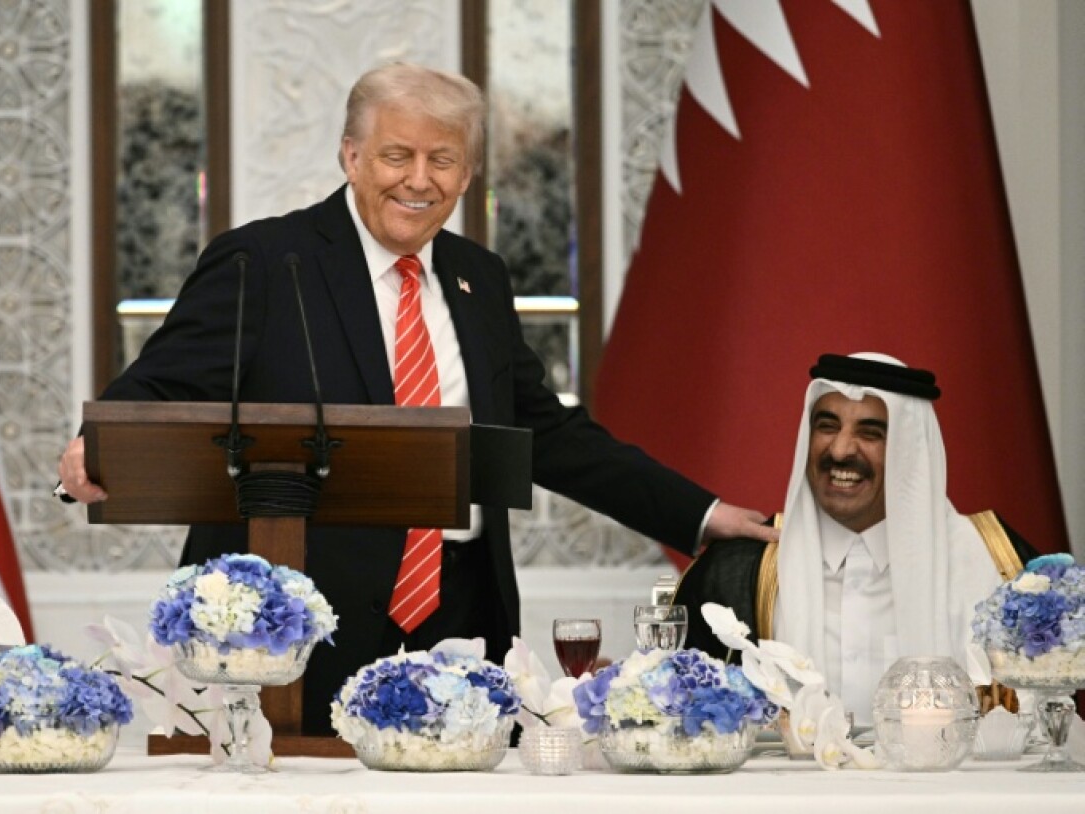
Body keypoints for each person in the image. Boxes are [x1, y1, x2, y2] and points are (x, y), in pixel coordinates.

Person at [57, 62, 778, 735]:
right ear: (352, 156)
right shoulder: (265, 263)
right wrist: (100, 444)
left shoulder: (479, 276)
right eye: (397, 155)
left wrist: (702, 515)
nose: (419, 180)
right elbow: (164, 381)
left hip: (458, 614)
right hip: (295, 621)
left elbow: (544, 431)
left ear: (468, 173)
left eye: (443, 160)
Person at [675, 352, 1038, 724]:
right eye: (827, 426)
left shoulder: (995, 565)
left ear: (910, 453)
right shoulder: (736, 573)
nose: (841, 450)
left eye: (870, 433)